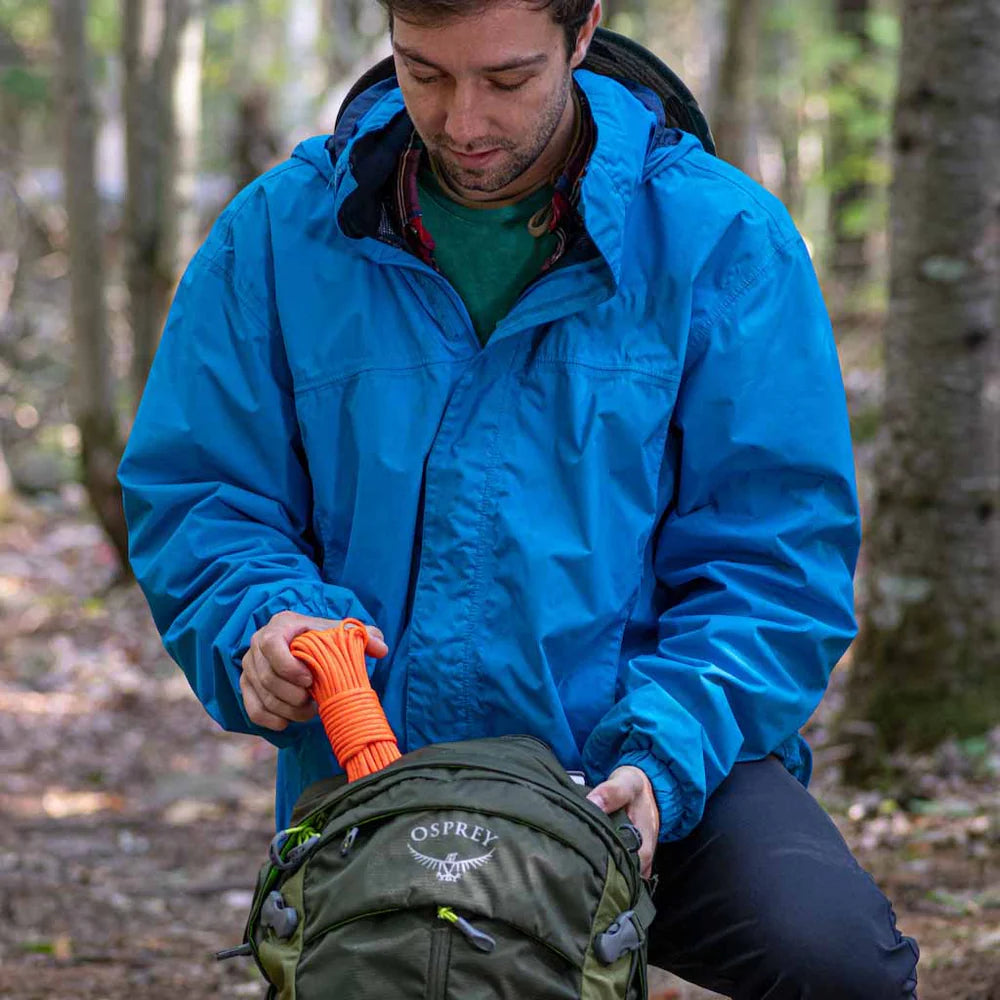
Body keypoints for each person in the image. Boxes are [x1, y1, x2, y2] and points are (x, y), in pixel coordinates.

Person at [118, 0, 919, 995]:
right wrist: (261, 622)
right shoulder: (280, 237)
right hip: (387, 776)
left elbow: (775, 558)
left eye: (506, 79)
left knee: (838, 962)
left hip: (641, 758)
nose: (461, 123)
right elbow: (204, 491)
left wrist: (662, 758)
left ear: (582, 33)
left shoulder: (721, 239)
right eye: (423, 73)